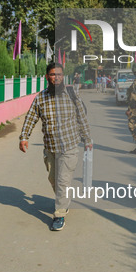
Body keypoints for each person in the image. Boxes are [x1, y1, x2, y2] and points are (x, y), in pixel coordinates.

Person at [19, 62, 92, 231]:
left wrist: (87, 139)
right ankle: (63, 201)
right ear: (47, 77)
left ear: (63, 76)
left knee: (62, 181)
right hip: (50, 147)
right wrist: (24, 137)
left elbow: (82, 117)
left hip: (69, 146)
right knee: (53, 179)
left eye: (59, 74)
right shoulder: (41, 97)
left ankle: (59, 214)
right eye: (52, 74)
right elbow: (31, 117)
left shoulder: (72, 95)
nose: (56, 78)